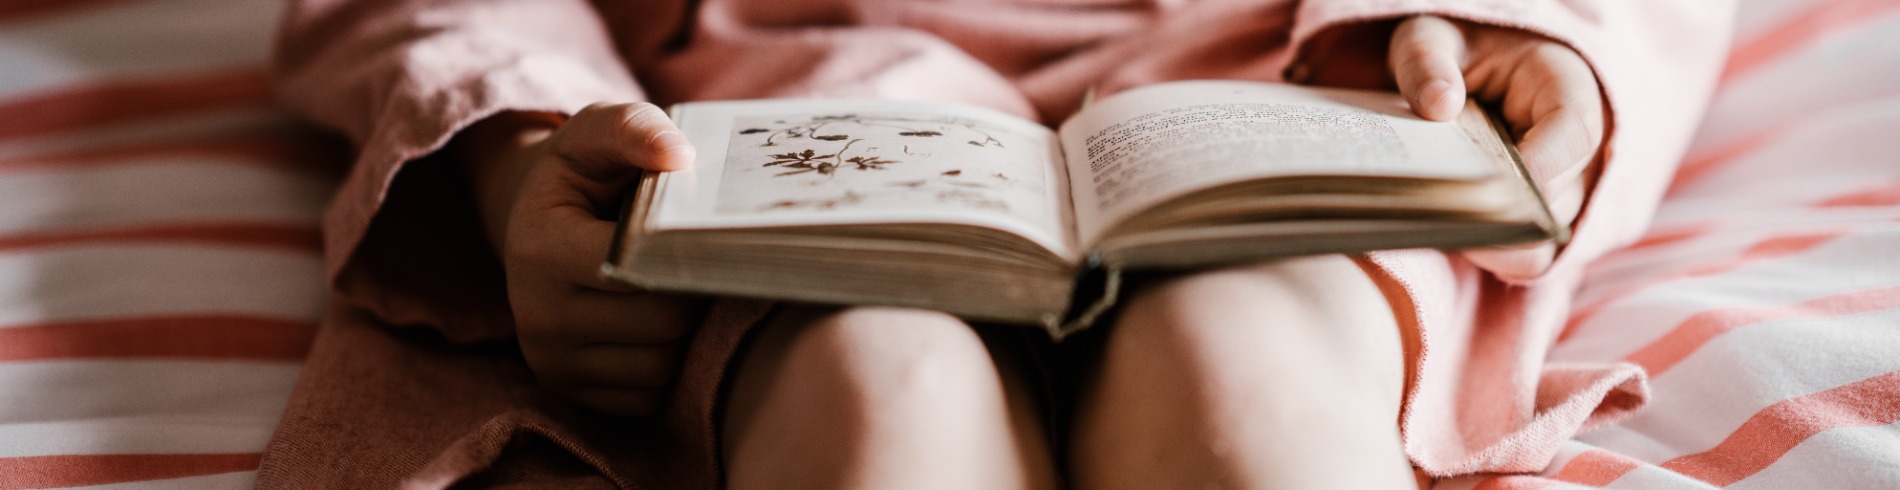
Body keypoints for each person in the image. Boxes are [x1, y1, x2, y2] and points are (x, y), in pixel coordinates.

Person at [259, 1, 1734, 488]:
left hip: (1295, 88)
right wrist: (526, 164)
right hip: (781, 115)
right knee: (874, 395)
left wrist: (1538, 37)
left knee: (1240, 388)